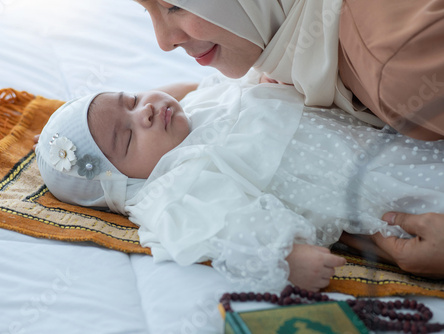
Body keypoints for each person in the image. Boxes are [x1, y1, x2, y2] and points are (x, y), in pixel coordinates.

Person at [35, 73, 444, 293]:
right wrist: (285, 256)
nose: (144, 111)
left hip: (367, 131)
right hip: (365, 183)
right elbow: (222, 227)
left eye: (132, 98)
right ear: (123, 186)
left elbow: (210, 85)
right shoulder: (170, 187)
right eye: (125, 138)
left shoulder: (192, 109)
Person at [134, 0, 444, 278]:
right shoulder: (294, 52)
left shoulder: (398, 66)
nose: (163, 42)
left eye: (173, 6)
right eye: (144, 10)